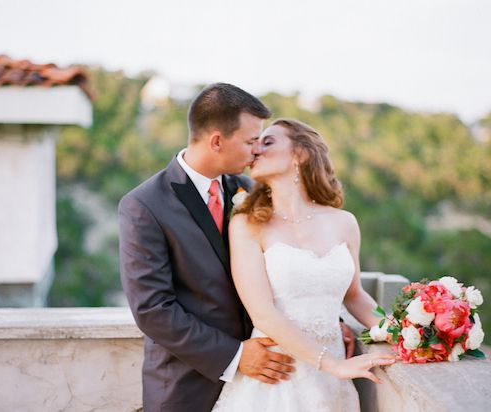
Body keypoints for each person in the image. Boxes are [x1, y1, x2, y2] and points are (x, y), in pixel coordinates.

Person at [118, 83, 357, 412]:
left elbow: (290, 266)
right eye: (249, 142)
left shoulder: (247, 189)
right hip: (187, 385)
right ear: (217, 141)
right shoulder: (145, 206)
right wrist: (236, 355)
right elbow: (153, 309)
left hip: (276, 381)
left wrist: (329, 317)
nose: (255, 151)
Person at [212, 119, 396, 411]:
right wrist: (333, 364)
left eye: (268, 142)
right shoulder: (246, 223)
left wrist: (402, 332)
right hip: (276, 377)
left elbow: (355, 296)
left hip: (332, 387)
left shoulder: (344, 222)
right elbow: (262, 313)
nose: (255, 150)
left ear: (301, 153)